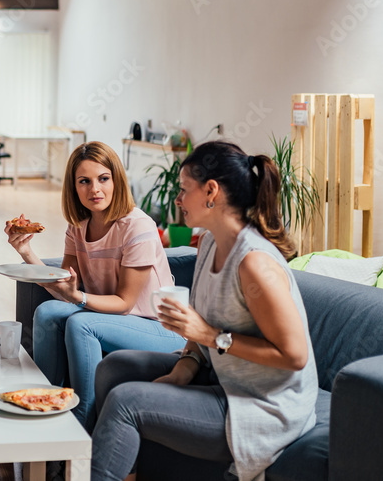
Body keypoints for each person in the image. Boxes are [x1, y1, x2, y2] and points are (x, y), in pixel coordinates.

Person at [91, 141, 318, 481]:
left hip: (261, 405)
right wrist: (186, 365)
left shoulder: (254, 262)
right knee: (114, 368)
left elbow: (295, 355)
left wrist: (210, 336)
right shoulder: (210, 241)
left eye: (184, 190)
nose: (178, 199)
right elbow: (202, 326)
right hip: (222, 375)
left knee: (127, 402)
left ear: (211, 191)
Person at [4, 141, 183, 428]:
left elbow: (125, 303)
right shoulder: (78, 224)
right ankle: (44, 406)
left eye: (103, 179)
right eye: (84, 181)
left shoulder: (137, 226)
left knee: (81, 324)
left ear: (116, 180)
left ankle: (80, 425)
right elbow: (63, 287)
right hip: (110, 317)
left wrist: (78, 298)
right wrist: (25, 252)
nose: (94, 189)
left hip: (161, 328)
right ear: (73, 187)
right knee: (48, 312)